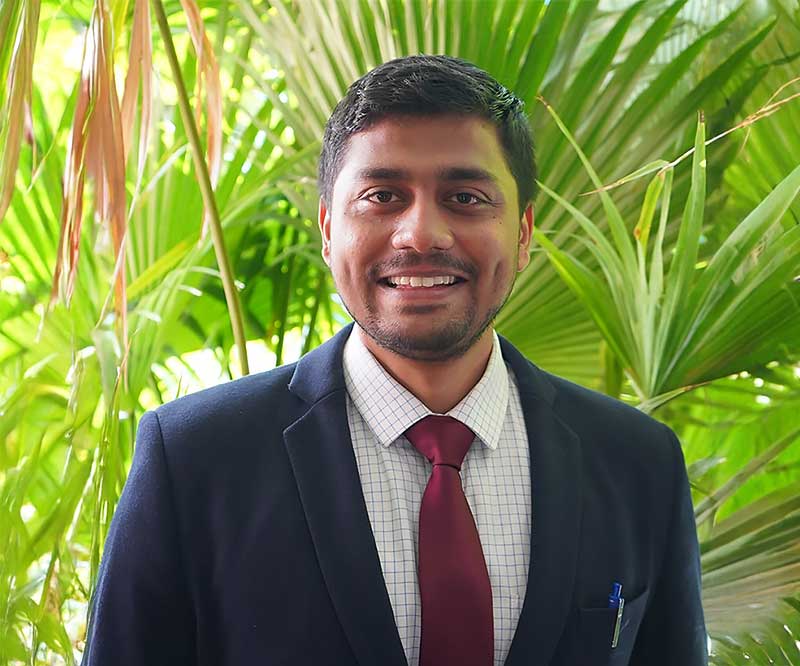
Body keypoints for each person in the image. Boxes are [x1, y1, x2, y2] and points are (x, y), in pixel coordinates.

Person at [82, 55, 707, 666]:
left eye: (465, 196)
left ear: (522, 233)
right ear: (328, 228)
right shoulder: (195, 458)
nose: (421, 234)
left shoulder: (637, 463)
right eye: (382, 195)